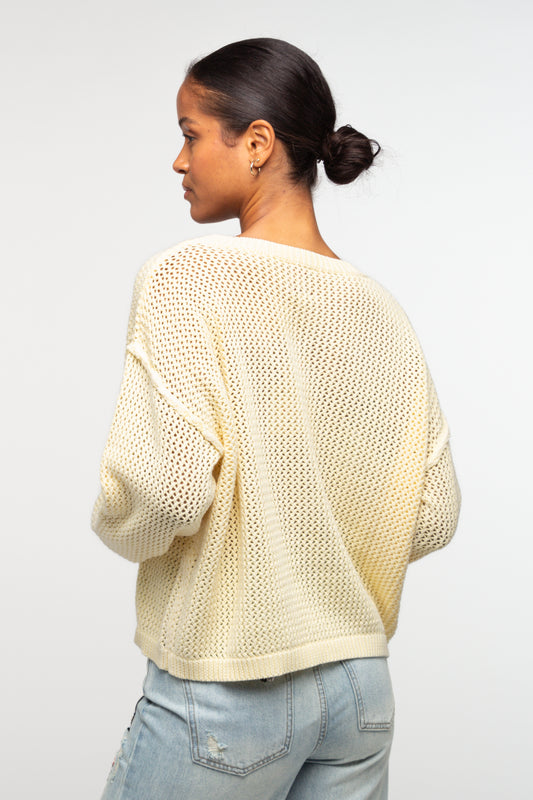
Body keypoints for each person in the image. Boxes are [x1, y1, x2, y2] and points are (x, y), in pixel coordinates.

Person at [92, 37, 461, 800]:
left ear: (256, 142)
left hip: (231, 683)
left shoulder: (187, 277)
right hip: (359, 688)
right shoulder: (380, 309)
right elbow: (432, 513)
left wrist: (115, 524)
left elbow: (163, 493)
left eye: (191, 134)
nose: (179, 161)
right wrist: (323, 555)